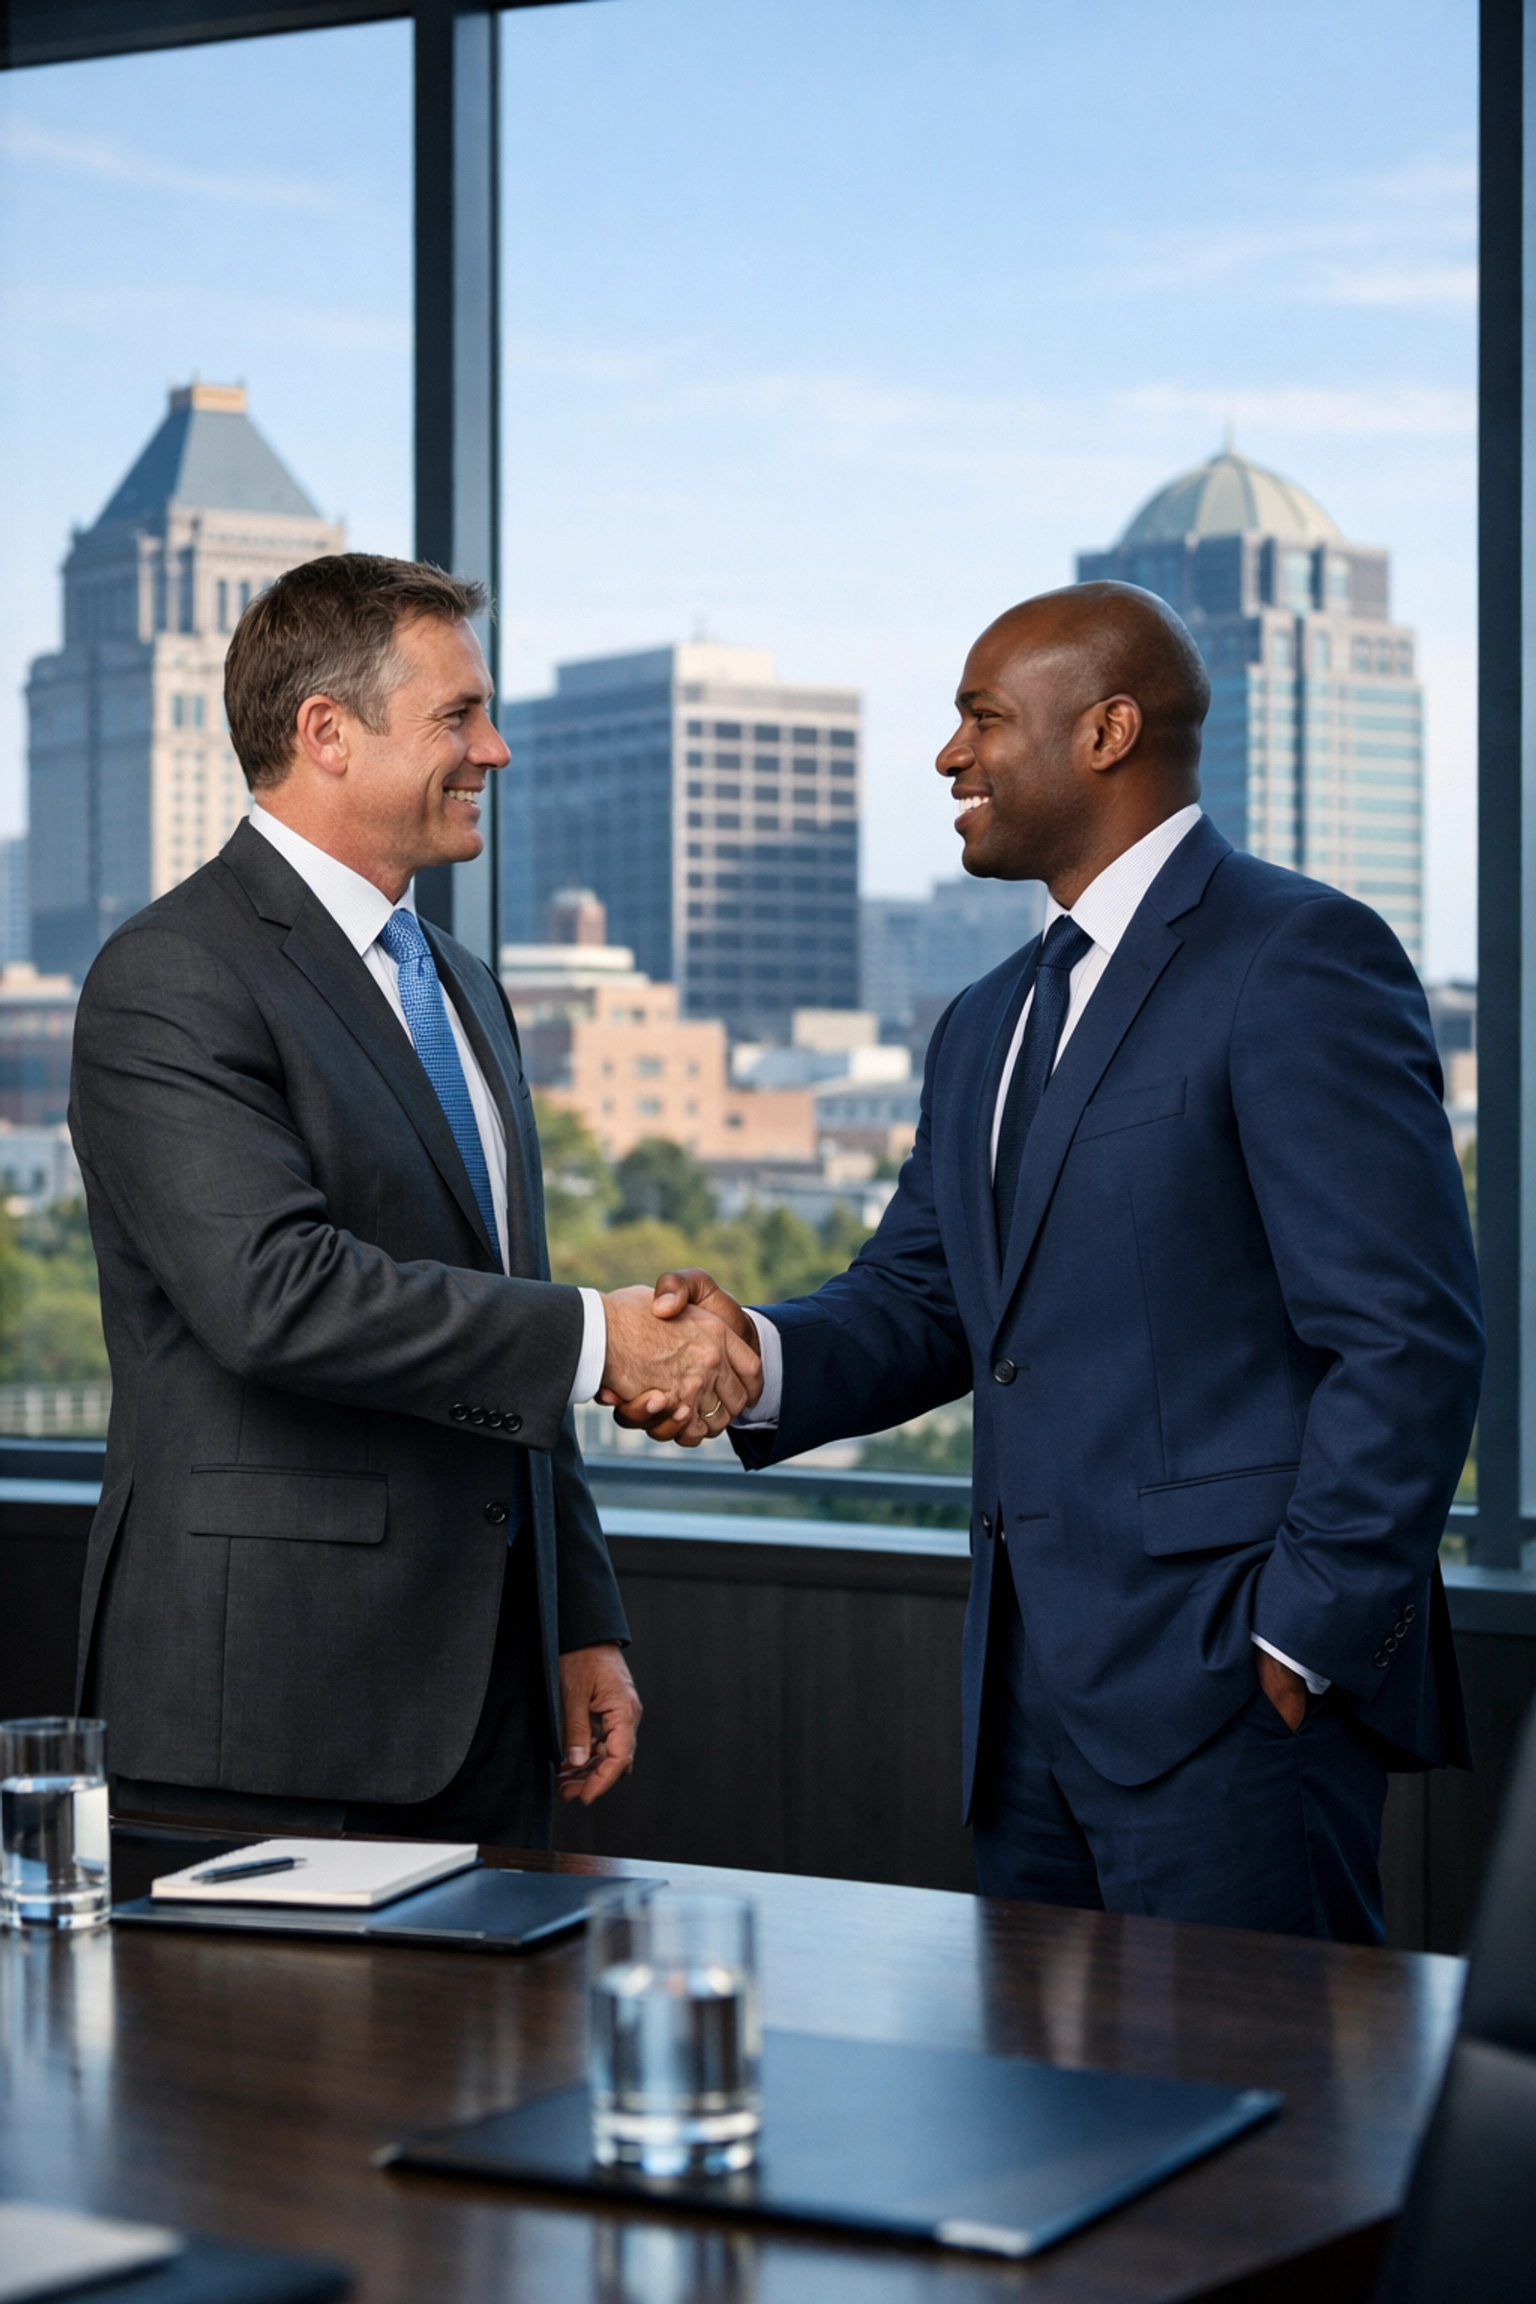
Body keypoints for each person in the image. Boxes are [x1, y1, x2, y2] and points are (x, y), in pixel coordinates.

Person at [612, 582, 1484, 1941]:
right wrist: (751, 1354)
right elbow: (926, 1298)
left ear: (1107, 731)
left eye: (981, 720)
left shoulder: (1299, 954)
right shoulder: (983, 1022)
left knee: (1265, 2128)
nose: (950, 758)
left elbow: (1406, 1338)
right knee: (1058, 2123)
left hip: (1234, 1700)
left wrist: (1296, 1639)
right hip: (1021, 1714)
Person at [71, 551, 759, 1844]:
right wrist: (607, 1337)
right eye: (459, 716)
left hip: (496, 1705)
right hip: (271, 1714)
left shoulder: (464, 983)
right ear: (325, 733)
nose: (494, 750)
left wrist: (582, 1615)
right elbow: (272, 1297)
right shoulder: (170, 976)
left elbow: (497, 1309)